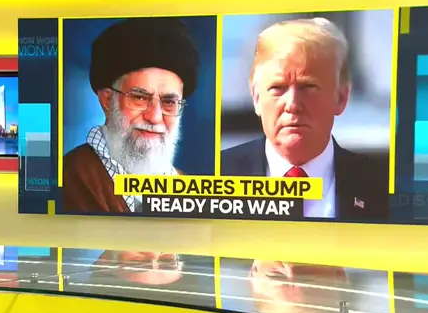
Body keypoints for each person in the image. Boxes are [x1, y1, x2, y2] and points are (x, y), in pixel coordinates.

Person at [220, 18, 388, 221]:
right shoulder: (215, 174)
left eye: (308, 87)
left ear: (341, 98)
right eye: (277, 88)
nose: (292, 104)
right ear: (256, 97)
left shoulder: (384, 187)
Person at [62, 18, 200, 213]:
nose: (155, 117)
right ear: (107, 100)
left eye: (169, 102)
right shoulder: (68, 179)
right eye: (140, 98)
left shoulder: (188, 188)